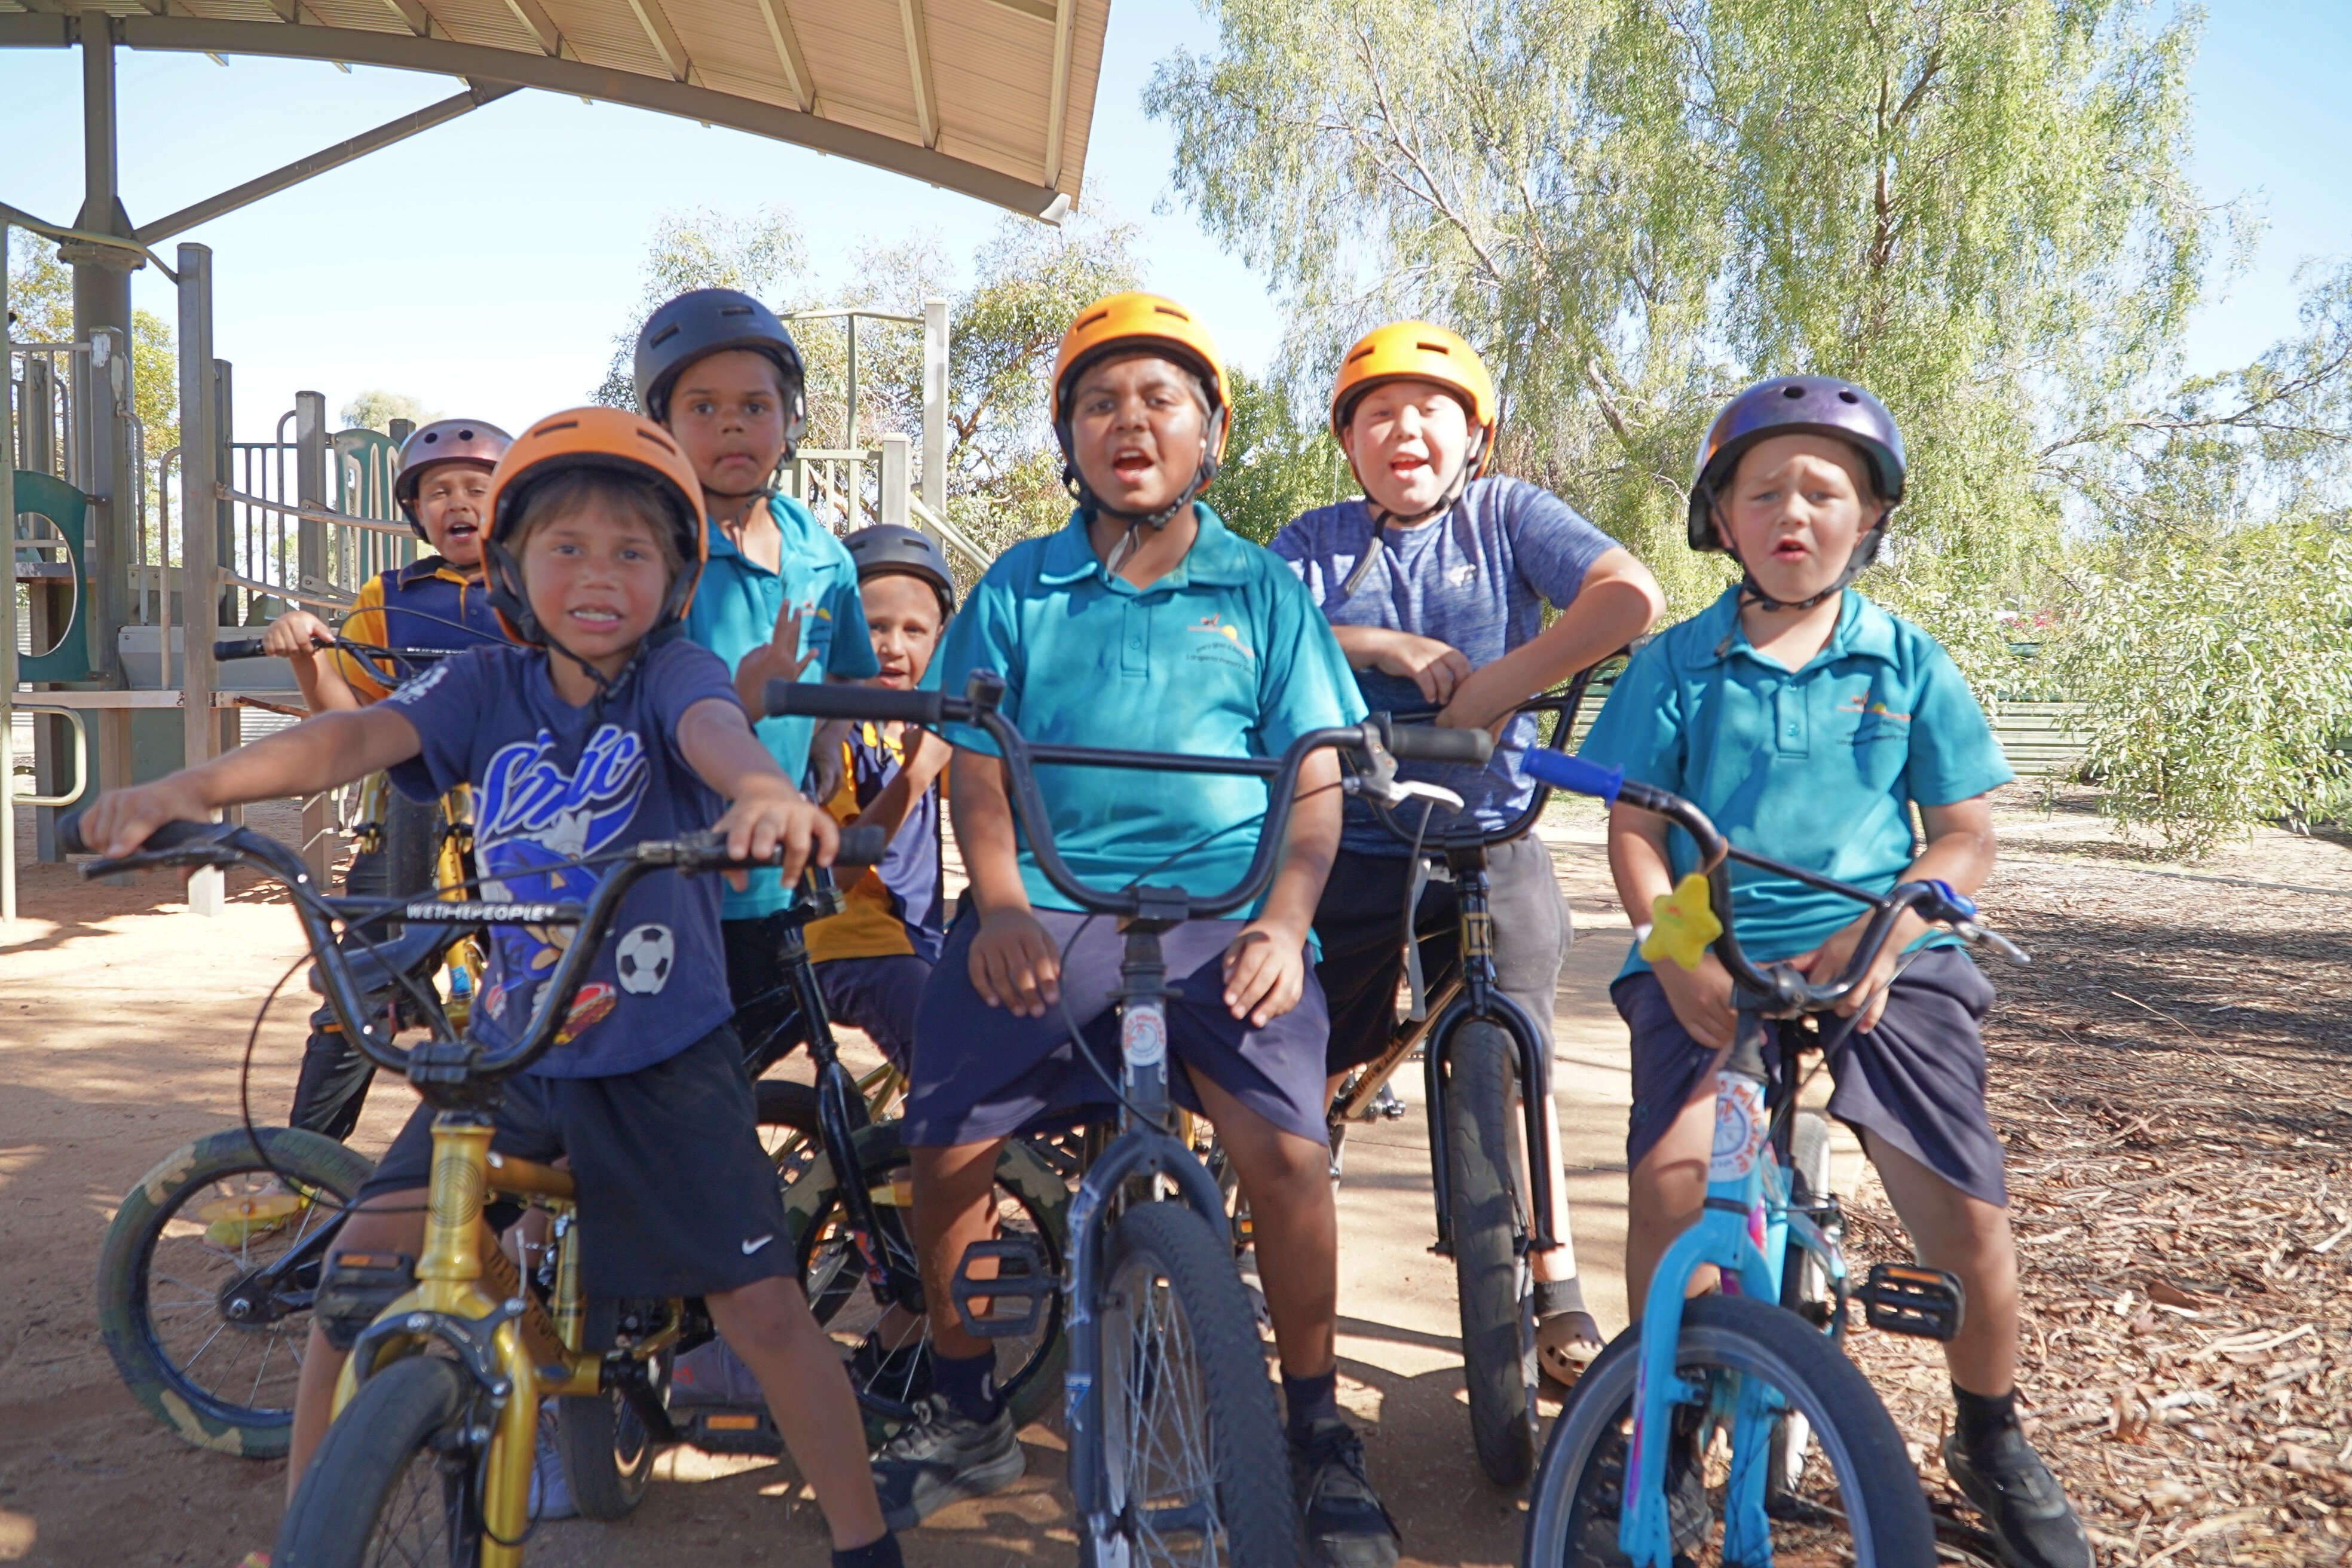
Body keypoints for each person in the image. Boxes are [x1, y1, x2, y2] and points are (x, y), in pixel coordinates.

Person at [84, 407, 903, 1568]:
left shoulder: (672, 673)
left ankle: (866, 1542)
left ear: (676, 575)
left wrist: (766, 791)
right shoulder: (483, 684)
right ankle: (315, 1522)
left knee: (762, 1306)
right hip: (515, 1052)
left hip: (663, 1056)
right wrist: (193, 789)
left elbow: (718, 730)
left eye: (633, 550)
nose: (599, 575)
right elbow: (347, 739)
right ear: (513, 567)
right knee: (360, 1267)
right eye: (565, 547)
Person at [869, 293, 1398, 1567]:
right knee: (943, 1142)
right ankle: (967, 1404)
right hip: (1054, 905)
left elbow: (1314, 774)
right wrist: (997, 902)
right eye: (1101, 402)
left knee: (1289, 1158)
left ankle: (1318, 1427)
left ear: (1208, 433)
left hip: (1225, 915)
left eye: (1161, 400)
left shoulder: (1262, 589)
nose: (1130, 423)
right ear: (1070, 436)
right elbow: (981, 763)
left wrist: (1285, 920)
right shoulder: (1020, 586)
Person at [1577, 376, 2090, 1568]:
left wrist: (1894, 929)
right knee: (1670, 1187)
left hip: (1883, 955)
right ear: (1721, 519)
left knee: (1957, 1207)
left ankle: (1989, 1428)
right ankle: (1675, 1412)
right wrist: (1678, 945)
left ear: (1869, 521)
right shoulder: (1677, 663)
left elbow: (1964, 832)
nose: (1793, 510)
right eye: (1764, 491)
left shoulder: (1905, 659)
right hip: (1717, 954)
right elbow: (1633, 833)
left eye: (1825, 491)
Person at [1269, 321, 1665, 1383]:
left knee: (1522, 1048)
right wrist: (1377, 645)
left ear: (1473, 436)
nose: (1406, 429)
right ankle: (1289, 1189)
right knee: (1304, 1039)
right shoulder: (1313, 542)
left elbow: (1631, 597)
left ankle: (1555, 1281)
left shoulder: (1508, 516)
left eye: (1431, 410)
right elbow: (1249, 627)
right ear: (1348, 440)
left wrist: (1498, 685)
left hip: (1494, 829)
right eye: (1378, 413)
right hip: (1351, 833)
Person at [634, 287, 883, 1057]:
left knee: (759, 1055)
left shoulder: (823, 552)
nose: (733, 423)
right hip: (674, 868)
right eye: (702, 408)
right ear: (662, 427)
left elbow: (846, 676)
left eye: (755, 405)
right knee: (670, 1079)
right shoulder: (650, 546)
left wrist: (823, 747)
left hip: (778, 867)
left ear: (792, 418)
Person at [256, 418, 513, 1153]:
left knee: (548, 985)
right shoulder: (390, 595)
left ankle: (541, 1171)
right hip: (411, 813)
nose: (457, 502)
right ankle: (310, 1169)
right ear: (417, 512)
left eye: (477, 487)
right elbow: (346, 718)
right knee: (357, 986)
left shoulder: (542, 586)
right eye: (439, 492)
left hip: (522, 822)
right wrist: (309, 655)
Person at [806, 523, 958, 1066]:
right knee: (951, 1068)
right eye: (875, 628)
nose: (895, 647)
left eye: (916, 630)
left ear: (940, 638)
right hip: (851, 941)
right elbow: (837, 875)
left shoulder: (932, 723)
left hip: (917, 939)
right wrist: (915, 776)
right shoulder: (830, 730)